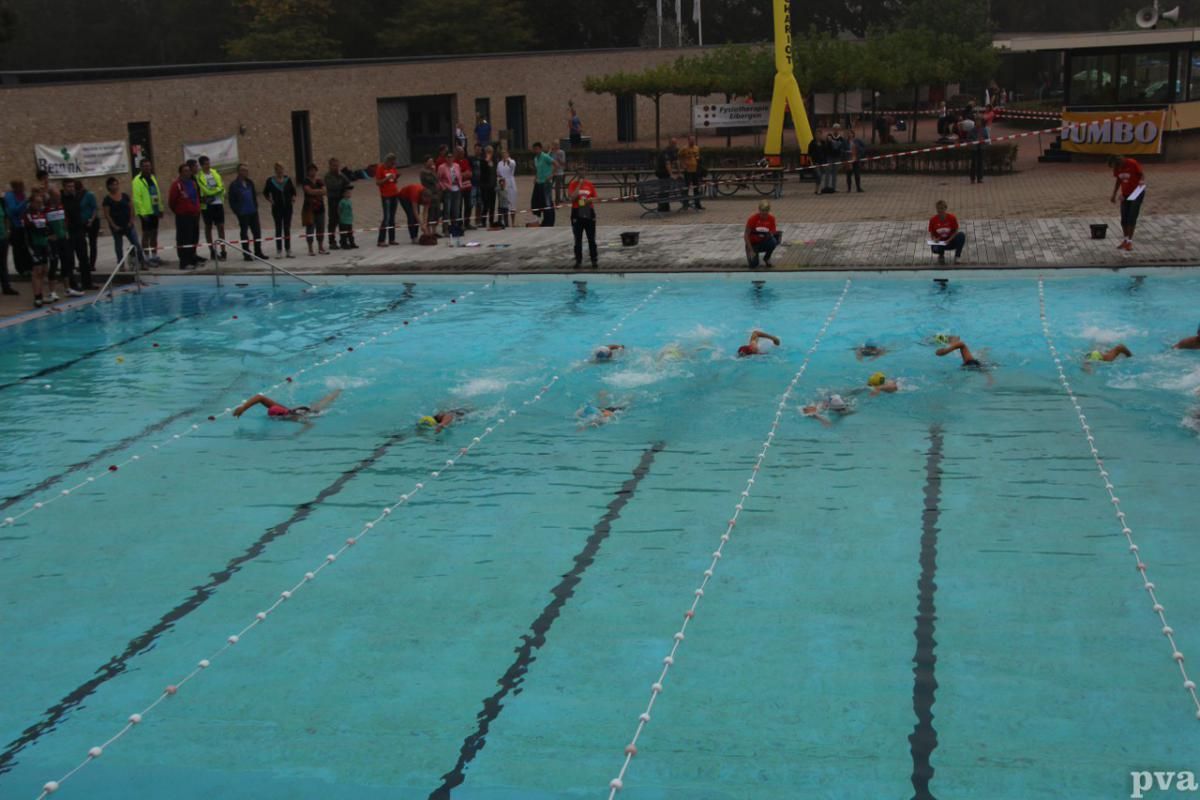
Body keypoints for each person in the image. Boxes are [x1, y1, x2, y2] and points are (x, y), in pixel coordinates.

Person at [101, 176, 145, 270]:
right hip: (116, 227)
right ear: (109, 186)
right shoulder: (107, 199)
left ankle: (142, 262)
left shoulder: (124, 196)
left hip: (128, 225)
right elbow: (107, 214)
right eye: (113, 185)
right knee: (118, 246)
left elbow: (131, 208)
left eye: (116, 184)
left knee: (136, 244)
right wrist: (114, 226)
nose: (115, 186)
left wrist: (131, 221)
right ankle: (121, 265)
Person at [227, 163, 266, 261]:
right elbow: (231, 200)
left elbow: (254, 195)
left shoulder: (250, 183)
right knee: (244, 233)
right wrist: (237, 210)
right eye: (243, 170)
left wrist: (255, 206)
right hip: (243, 212)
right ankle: (246, 253)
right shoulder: (234, 185)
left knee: (257, 232)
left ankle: (258, 252)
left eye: (246, 170)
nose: (245, 172)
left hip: (252, 211)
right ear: (239, 172)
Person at [1108, 155, 1146, 252]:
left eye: (1117, 167)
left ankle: (1129, 241)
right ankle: (1125, 240)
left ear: (1120, 162)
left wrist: (1141, 181)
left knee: (1131, 217)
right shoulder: (1117, 168)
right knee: (1124, 218)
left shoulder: (1132, 163)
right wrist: (1114, 194)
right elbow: (1118, 180)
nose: (1117, 169)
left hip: (1137, 191)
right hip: (1125, 194)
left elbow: (1141, 174)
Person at [169, 162, 203, 269]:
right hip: (183, 216)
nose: (188, 173)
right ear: (180, 173)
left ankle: (192, 258)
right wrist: (180, 211)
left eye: (189, 170)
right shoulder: (177, 185)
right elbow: (172, 202)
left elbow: (196, 198)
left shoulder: (193, 183)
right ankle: (184, 262)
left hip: (194, 215)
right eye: (185, 171)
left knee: (193, 238)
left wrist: (197, 210)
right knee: (184, 239)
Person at [234, 389, 342, 422]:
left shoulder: (293, 418)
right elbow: (259, 397)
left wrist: (298, 434)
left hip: (310, 413)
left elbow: (309, 424)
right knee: (317, 403)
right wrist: (243, 408)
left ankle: (339, 389)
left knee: (320, 406)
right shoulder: (282, 409)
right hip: (298, 410)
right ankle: (337, 390)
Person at [131, 160, 165, 264]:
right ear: (141, 168)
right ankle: (145, 256)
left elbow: (157, 194)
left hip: (155, 210)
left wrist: (160, 208)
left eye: (149, 166)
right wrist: (142, 213)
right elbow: (137, 199)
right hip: (146, 212)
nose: (147, 168)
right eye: (145, 166)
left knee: (154, 233)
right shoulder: (137, 180)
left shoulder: (152, 177)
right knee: (146, 234)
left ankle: (154, 255)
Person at [195, 155, 227, 261]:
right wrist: (217, 190)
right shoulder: (199, 176)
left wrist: (217, 190)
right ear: (201, 165)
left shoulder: (214, 172)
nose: (208, 166)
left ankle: (223, 250)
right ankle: (212, 251)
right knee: (208, 227)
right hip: (207, 206)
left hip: (218, 203)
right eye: (206, 164)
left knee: (221, 227)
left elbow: (222, 187)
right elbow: (206, 191)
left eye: (209, 163)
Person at [24, 192, 53, 306]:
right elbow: (34, 228)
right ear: (31, 202)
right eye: (37, 202)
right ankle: (37, 297)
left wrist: (47, 233)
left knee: (45, 270)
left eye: (41, 202)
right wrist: (46, 232)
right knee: (37, 271)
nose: (40, 204)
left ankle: (41, 294)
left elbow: (47, 227)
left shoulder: (41, 212)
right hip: (34, 245)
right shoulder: (27, 214)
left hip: (44, 244)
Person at [263, 162, 297, 258]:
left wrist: (293, 198)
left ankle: (288, 249)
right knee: (278, 228)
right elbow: (265, 192)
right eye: (278, 168)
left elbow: (293, 192)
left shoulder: (288, 180)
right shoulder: (270, 181)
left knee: (287, 228)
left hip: (287, 208)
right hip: (277, 208)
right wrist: (270, 200)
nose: (280, 170)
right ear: (275, 170)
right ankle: (279, 250)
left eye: (281, 168)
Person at [568, 167, 599, 268]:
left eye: (583, 170)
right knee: (578, 238)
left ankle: (594, 259)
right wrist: (580, 185)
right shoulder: (573, 184)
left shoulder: (589, 184)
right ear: (576, 173)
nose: (582, 172)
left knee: (591, 237)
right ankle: (578, 260)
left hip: (587, 210)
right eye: (579, 171)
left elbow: (595, 197)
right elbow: (572, 198)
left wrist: (589, 200)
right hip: (577, 211)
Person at [4, 180, 32, 279]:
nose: (23, 188)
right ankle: (21, 269)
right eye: (21, 186)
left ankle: (29, 267)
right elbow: (13, 210)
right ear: (16, 187)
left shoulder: (21, 195)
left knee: (25, 247)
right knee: (18, 248)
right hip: (15, 225)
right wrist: (25, 202)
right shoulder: (10, 196)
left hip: (24, 224)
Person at [74, 180, 99, 285]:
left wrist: (91, 220)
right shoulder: (75, 197)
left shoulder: (89, 195)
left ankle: (92, 264)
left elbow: (94, 208)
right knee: (81, 244)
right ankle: (83, 263)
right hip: (81, 223)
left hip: (92, 222)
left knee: (92, 243)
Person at [744, 200, 780, 268]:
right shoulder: (752, 219)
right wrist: (751, 250)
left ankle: (767, 258)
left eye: (765, 212)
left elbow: (773, 232)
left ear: (768, 211)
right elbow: (746, 236)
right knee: (753, 265)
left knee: (774, 241)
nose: (763, 214)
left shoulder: (771, 219)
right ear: (759, 210)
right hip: (752, 244)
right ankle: (752, 253)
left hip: (763, 242)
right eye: (762, 212)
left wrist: (770, 234)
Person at [301, 163, 328, 256]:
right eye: (311, 170)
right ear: (308, 172)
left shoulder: (319, 181)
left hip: (320, 208)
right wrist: (318, 192)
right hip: (309, 209)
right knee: (310, 229)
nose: (313, 172)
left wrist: (315, 192)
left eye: (314, 170)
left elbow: (325, 191)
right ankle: (310, 249)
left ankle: (320, 247)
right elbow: (308, 191)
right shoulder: (305, 181)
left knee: (321, 228)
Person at [928, 200, 965, 265]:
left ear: (945, 208)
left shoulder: (952, 218)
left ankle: (957, 256)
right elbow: (932, 233)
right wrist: (934, 239)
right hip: (940, 243)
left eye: (942, 208)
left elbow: (955, 231)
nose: (940, 210)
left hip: (950, 241)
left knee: (961, 235)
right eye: (938, 209)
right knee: (935, 248)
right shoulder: (933, 220)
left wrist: (949, 240)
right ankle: (941, 256)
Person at [437, 152, 464, 240]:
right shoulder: (442, 167)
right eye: (448, 157)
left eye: (451, 157)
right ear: (446, 158)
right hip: (448, 190)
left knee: (455, 210)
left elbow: (459, 176)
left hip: (457, 189)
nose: (450, 159)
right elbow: (439, 179)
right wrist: (444, 187)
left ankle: (454, 228)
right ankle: (445, 230)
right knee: (447, 211)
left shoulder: (456, 165)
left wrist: (460, 184)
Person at [376, 152, 401, 246]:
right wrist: (387, 178)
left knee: (392, 217)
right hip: (386, 195)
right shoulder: (380, 168)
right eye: (392, 163)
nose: (393, 165)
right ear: (387, 161)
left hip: (394, 193)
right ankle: (381, 240)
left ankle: (392, 239)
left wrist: (395, 178)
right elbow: (378, 182)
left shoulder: (393, 168)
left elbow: (394, 181)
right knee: (386, 217)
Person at [324, 158, 350, 250]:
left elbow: (348, 183)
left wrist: (342, 176)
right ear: (330, 166)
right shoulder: (328, 176)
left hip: (341, 201)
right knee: (333, 222)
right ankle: (332, 242)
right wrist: (340, 180)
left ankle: (343, 241)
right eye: (334, 166)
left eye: (337, 166)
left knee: (343, 222)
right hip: (333, 201)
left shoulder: (340, 175)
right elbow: (333, 186)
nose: (336, 168)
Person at [531, 142, 556, 226]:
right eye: (534, 149)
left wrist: (552, 175)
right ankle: (537, 219)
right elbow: (538, 170)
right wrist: (535, 177)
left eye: (537, 149)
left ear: (540, 149)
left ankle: (549, 222)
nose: (536, 150)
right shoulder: (535, 158)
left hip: (546, 182)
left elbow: (555, 164)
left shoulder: (545, 156)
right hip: (538, 182)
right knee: (535, 202)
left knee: (547, 202)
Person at [654, 138, 680, 212]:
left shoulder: (674, 151)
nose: (675, 145)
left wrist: (679, 172)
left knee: (667, 189)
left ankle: (666, 206)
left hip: (666, 172)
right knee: (663, 189)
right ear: (670, 143)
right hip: (661, 172)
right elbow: (667, 164)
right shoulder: (666, 152)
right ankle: (661, 207)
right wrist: (671, 174)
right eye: (673, 143)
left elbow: (677, 161)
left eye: (675, 143)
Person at [678, 135, 704, 210]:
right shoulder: (684, 149)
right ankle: (685, 204)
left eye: (693, 140)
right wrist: (683, 165)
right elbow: (679, 157)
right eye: (691, 140)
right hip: (687, 171)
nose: (692, 141)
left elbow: (697, 156)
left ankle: (697, 204)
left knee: (696, 187)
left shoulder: (696, 148)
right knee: (686, 188)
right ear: (688, 140)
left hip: (695, 170)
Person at [497, 150, 518, 227]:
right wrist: (500, 181)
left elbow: (512, 166)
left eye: (505, 153)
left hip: (511, 184)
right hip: (502, 184)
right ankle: (504, 222)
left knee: (512, 203)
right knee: (503, 204)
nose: (504, 155)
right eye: (502, 153)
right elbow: (498, 173)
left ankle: (513, 222)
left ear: (508, 154)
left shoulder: (512, 161)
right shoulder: (499, 163)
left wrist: (507, 161)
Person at [479, 145, 498, 228]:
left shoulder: (494, 161)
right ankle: (483, 221)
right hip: (485, 186)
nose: (490, 154)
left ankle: (491, 221)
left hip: (493, 186)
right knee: (486, 204)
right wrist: (487, 161)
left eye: (491, 152)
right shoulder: (482, 161)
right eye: (488, 152)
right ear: (486, 152)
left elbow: (495, 173)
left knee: (492, 205)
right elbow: (483, 171)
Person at [338, 184, 358, 249]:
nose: (349, 194)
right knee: (344, 233)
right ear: (343, 194)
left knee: (350, 233)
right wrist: (340, 216)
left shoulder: (349, 201)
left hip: (349, 220)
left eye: (349, 193)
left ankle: (352, 243)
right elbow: (339, 209)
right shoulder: (342, 201)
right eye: (347, 193)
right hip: (343, 220)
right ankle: (344, 244)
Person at [845, 128, 865, 193]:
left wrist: (859, 152)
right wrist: (846, 152)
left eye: (851, 133)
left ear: (853, 134)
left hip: (856, 159)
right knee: (848, 175)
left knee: (857, 174)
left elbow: (863, 148)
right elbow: (842, 149)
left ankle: (858, 188)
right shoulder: (845, 142)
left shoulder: (857, 141)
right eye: (848, 133)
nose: (849, 135)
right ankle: (849, 188)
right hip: (849, 160)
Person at [808, 131, 828, 195]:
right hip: (815, 162)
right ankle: (818, 190)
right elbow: (809, 153)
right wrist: (811, 162)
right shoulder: (812, 143)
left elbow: (825, 153)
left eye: (819, 135)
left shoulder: (823, 143)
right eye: (817, 135)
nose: (818, 136)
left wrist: (826, 162)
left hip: (822, 162)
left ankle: (816, 189)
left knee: (820, 176)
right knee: (818, 175)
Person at [0, 197, 12, 296]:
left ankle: (6, 287)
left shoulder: (2, 202)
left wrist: (8, 230)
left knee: (3, 263)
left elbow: (6, 217)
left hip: (2, 237)